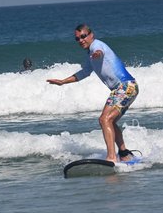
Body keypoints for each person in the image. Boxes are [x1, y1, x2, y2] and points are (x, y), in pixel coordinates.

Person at [46, 24, 139, 163]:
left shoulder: (97, 45)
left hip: (126, 87)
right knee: (108, 121)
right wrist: (62, 81)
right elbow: (84, 72)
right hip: (120, 89)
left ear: (91, 35)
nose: (81, 40)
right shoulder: (90, 54)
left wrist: (97, 54)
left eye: (83, 36)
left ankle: (112, 158)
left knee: (104, 120)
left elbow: (99, 51)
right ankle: (124, 153)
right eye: (77, 38)